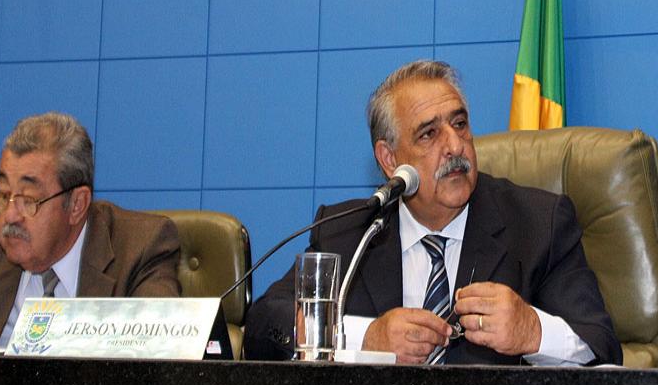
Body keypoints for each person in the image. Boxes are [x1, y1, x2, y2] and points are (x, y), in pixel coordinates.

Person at [244, 60, 621, 365]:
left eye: (460, 124)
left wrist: (533, 331)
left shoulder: (539, 224)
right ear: (389, 159)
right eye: (429, 134)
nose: (455, 145)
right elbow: (264, 328)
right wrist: (364, 337)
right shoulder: (350, 232)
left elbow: (603, 350)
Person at [0, 112, 181, 350]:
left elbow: (155, 355)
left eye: (29, 200)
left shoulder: (140, 249)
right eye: (4, 195)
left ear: (77, 205)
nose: (10, 216)